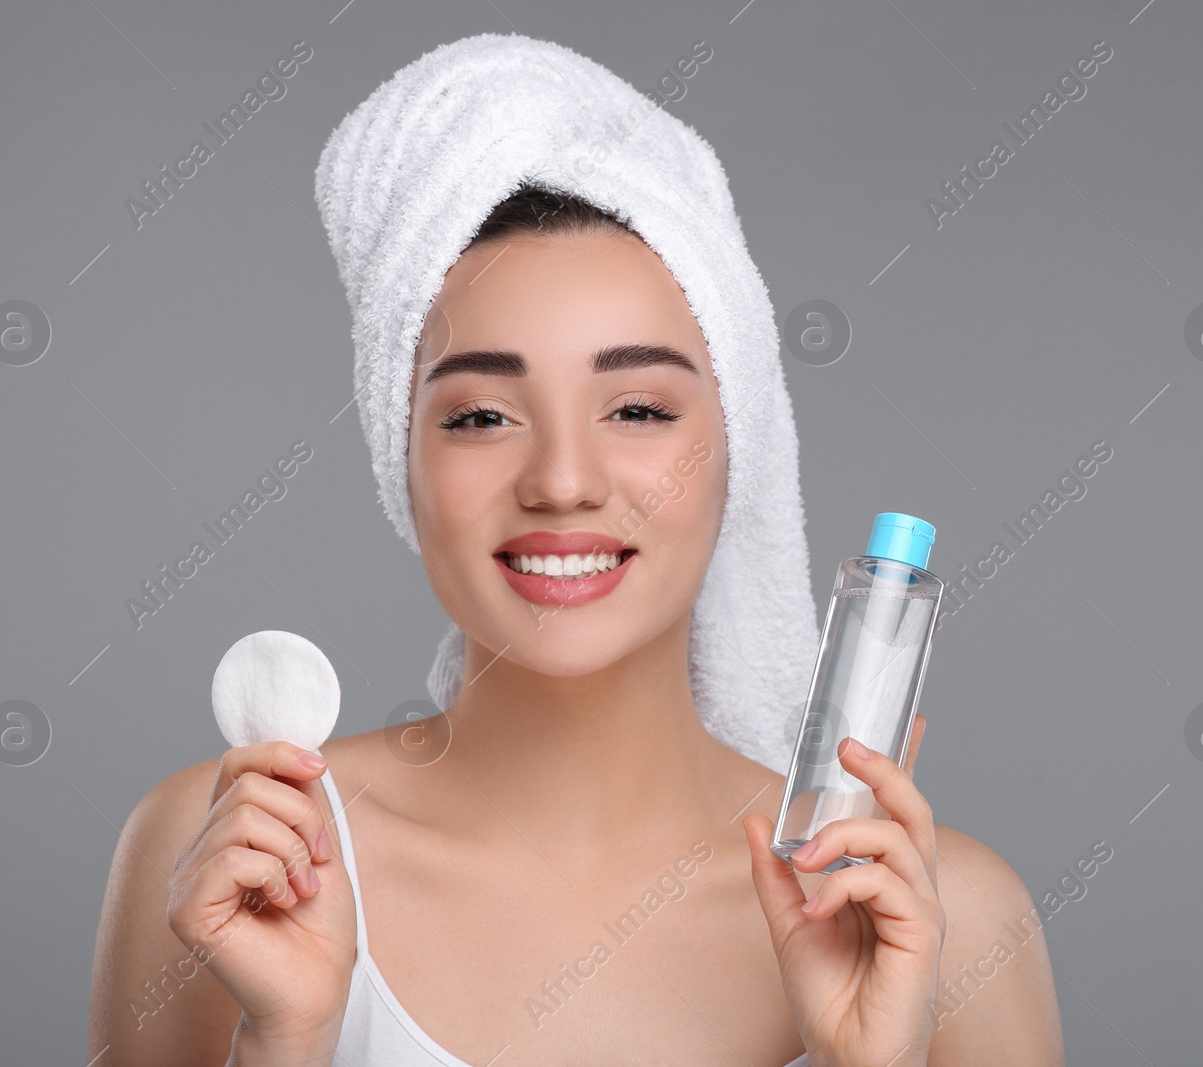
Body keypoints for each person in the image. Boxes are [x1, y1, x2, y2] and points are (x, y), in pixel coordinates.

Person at [89, 36, 1064, 1067]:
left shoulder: (948, 922)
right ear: (400, 463)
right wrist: (283, 1040)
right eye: (480, 416)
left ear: (740, 448)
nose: (561, 479)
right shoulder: (231, 859)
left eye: (637, 407)